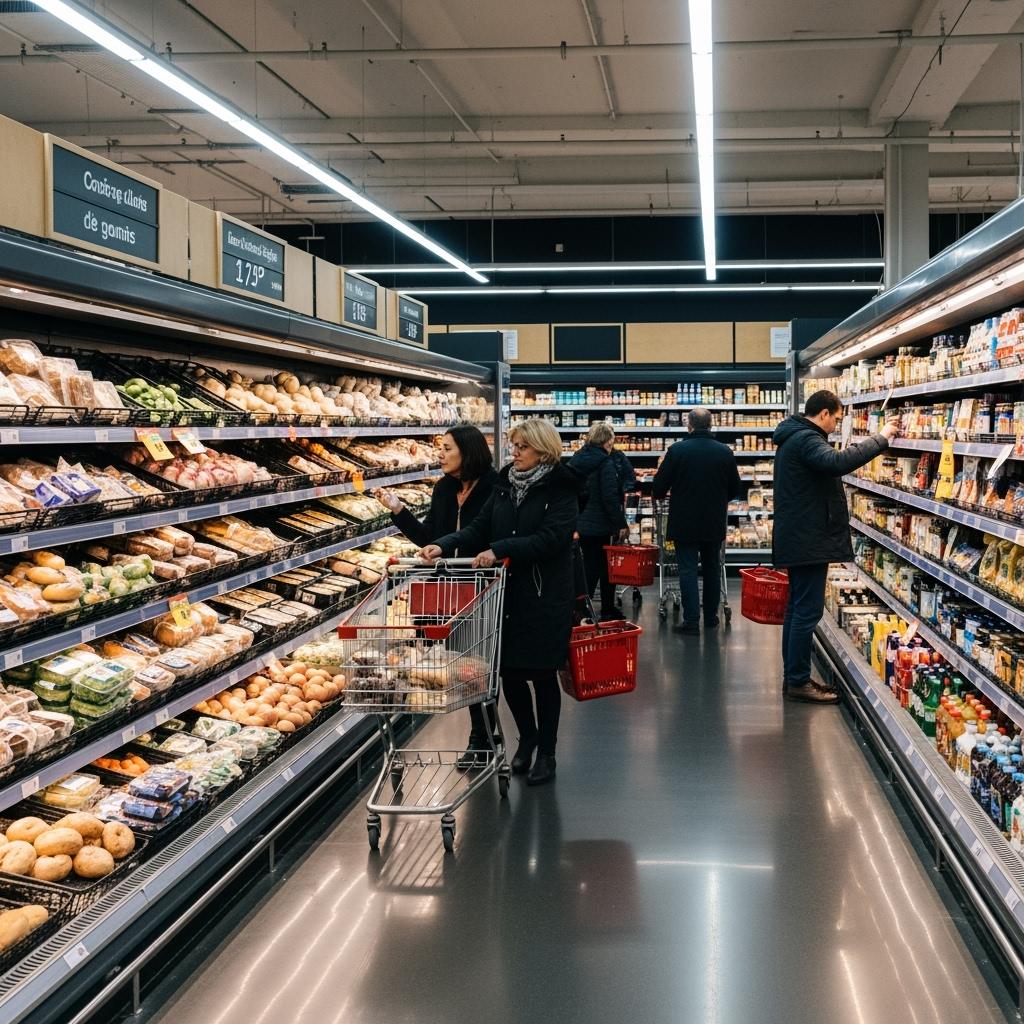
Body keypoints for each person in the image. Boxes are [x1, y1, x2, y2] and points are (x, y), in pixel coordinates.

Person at [420, 418, 580, 786]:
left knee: (541, 675)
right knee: (508, 671)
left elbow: (552, 539)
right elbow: (480, 525)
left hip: (544, 595)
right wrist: (444, 543)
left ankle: (548, 753)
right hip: (505, 593)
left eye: (522, 447)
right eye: (513, 446)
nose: (515, 453)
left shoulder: (562, 486)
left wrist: (501, 550)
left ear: (543, 449)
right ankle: (527, 739)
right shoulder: (506, 482)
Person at [374, 424, 499, 769]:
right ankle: (483, 733)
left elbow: (489, 533)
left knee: (476, 661)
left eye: (447, 448)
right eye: (440, 448)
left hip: (481, 586)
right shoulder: (443, 488)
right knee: (451, 660)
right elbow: (429, 537)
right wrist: (398, 510)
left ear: (468, 452)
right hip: (442, 589)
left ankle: (481, 736)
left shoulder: (494, 486)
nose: (440, 454)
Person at [773, 390, 898, 704]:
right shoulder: (805, 439)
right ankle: (798, 681)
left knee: (796, 610)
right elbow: (837, 462)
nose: (836, 425)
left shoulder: (795, 436)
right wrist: (880, 439)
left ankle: (794, 677)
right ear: (824, 413)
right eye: (836, 419)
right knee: (806, 612)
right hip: (807, 540)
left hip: (801, 537)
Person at [652, 407, 741, 634]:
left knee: (687, 569)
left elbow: (659, 487)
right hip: (713, 520)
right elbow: (735, 488)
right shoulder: (724, 452)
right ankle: (711, 617)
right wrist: (718, 500)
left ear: (689, 426)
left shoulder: (677, 450)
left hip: (684, 521)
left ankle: (691, 621)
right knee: (712, 567)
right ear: (710, 425)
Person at [568, 422, 628, 619]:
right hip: (600, 524)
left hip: (579, 521)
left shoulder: (577, 458)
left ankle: (582, 606)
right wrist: (620, 523)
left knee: (587, 567)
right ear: (607, 441)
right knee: (604, 567)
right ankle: (603, 609)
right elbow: (610, 497)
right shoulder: (605, 463)